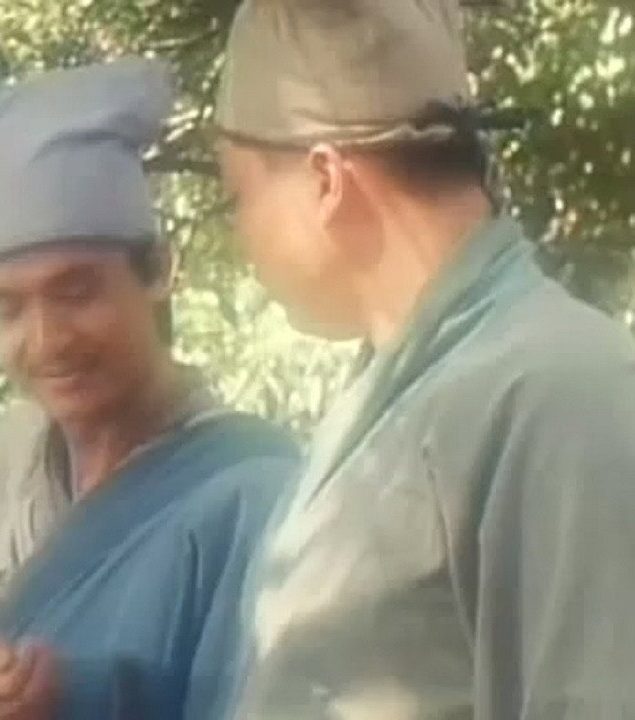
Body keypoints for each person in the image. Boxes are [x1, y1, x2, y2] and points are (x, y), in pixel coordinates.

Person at [210, 0, 635, 717]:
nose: (241, 233)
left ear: (325, 180)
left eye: (238, 197)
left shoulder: (559, 392)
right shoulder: (408, 392)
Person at [0, 58, 299, 720]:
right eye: (6, 308)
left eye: (76, 292)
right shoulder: (3, 459)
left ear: (157, 271)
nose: (47, 340)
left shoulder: (256, 490)